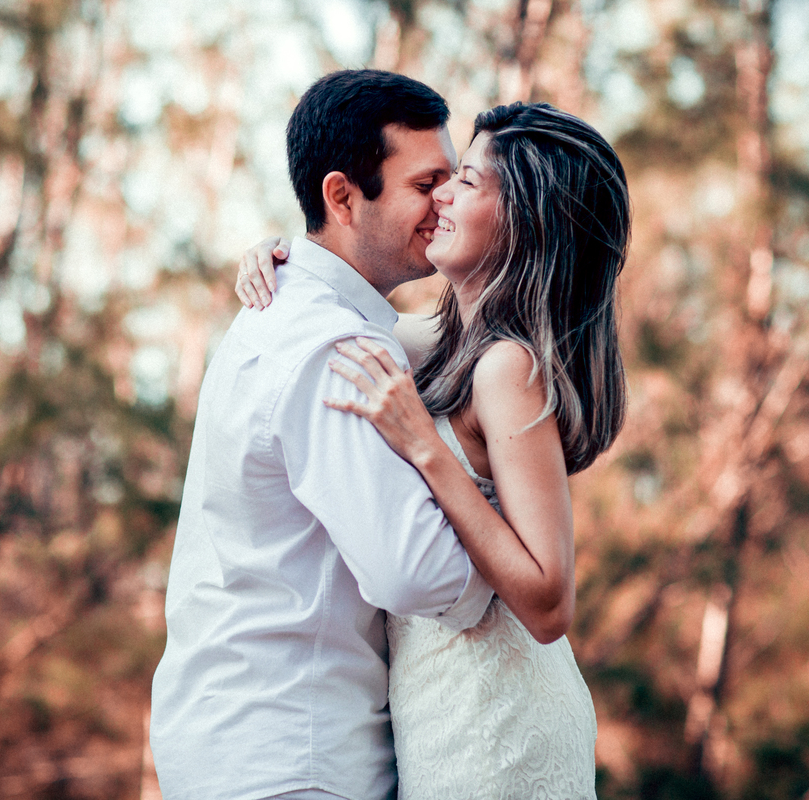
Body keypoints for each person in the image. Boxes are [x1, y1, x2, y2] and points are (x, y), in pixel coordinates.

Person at [236, 101, 631, 799]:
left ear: (524, 220)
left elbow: (549, 602)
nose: (441, 194)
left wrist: (427, 448)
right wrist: (284, 254)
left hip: (498, 719)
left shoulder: (507, 368)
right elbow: (342, 302)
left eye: (468, 183)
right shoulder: (445, 345)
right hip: (439, 711)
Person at [149, 70, 495, 800]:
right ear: (342, 196)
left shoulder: (299, 315)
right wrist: (508, 552)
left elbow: (451, 340)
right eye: (426, 182)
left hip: (243, 743)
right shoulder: (331, 349)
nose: (446, 203)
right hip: (292, 761)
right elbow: (424, 578)